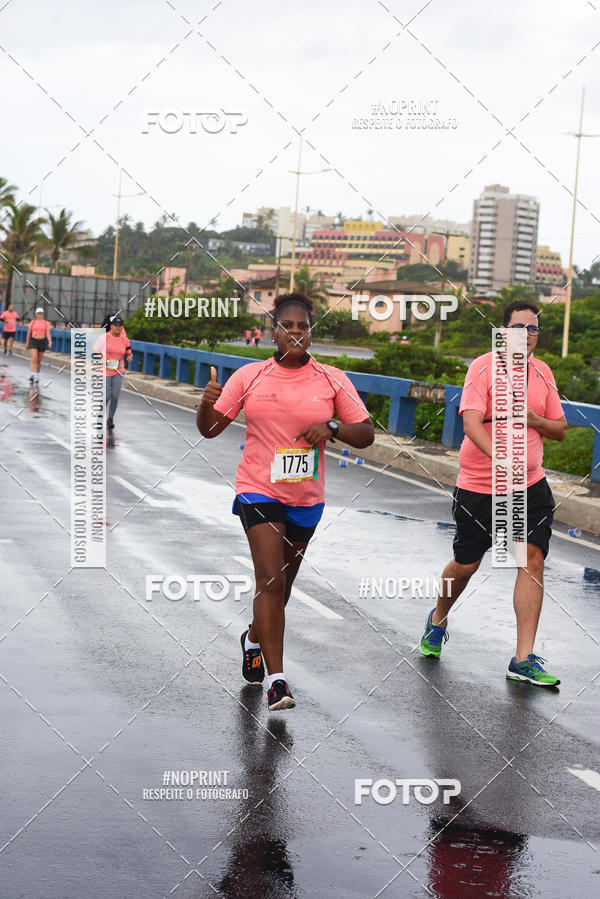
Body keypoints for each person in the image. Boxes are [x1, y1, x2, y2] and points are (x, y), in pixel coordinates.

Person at [198, 292, 374, 711]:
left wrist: (331, 427)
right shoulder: (249, 376)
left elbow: (365, 433)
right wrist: (205, 406)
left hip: (305, 497)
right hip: (258, 488)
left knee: (283, 584)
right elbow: (210, 430)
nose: (295, 332)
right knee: (270, 580)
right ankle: (278, 681)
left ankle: (253, 639)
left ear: (311, 333)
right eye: (287, 325)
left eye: (303, 326)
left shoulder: (331, 379)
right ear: (272, 332)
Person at [419, 300, 567, 686]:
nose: (527, 336)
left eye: (533, 329)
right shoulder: (482, 367)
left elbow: (560, 429)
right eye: (519, 328)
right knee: (466, 565)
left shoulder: (543, 373)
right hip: (480, 486)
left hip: (530, 485)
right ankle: (437, 619)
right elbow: (470, 424)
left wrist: (536, 420)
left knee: (530, 559)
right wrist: (501, 459)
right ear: (503, 332)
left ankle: (522, 659)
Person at [96, 316, 132, 430]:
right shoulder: (105, 337)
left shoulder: (124, 339)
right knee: (106, 395)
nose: (117, 328)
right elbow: (96, 350)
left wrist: (130, 356)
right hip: (105, 369)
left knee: (115, 396)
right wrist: (102, 359)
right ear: (112, 326)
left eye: (120, 326)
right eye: (115, 325)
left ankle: (110, 418)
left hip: (118, 369)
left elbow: (128, 351)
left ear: (122, 327)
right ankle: (100, 415)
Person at [25, 308, 52, 383]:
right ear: (36, 314)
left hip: (42, 341)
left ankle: (37, 375)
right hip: (34, 340)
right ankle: (32, 374)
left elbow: (48, 333)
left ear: (43, 314)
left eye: (41, 313)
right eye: (38, 313)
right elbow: (28, 333)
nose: (40, 315)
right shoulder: (33, 322)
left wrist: (50, 341)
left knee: (39, 360)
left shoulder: (46, 323)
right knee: (34, 358)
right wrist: (27, 343)